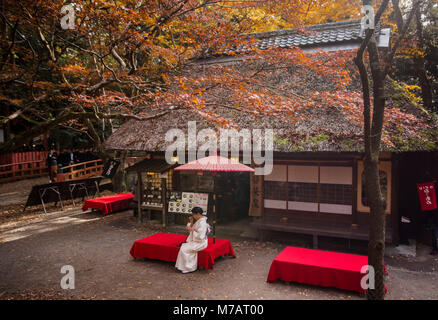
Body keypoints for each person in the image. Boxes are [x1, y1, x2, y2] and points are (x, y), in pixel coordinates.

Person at [175, 207, 210, 274]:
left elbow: (201, 237)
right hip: (197, 241)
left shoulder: (202, 223)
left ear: (198, 214)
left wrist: (192, 230)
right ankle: (185, 266)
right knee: (183, 247)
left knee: (184, 249)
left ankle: (189, 267)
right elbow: (193, 228)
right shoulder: (200, 220)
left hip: (201, 242)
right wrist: (191, 223)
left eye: (194, 214)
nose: (193, 216)